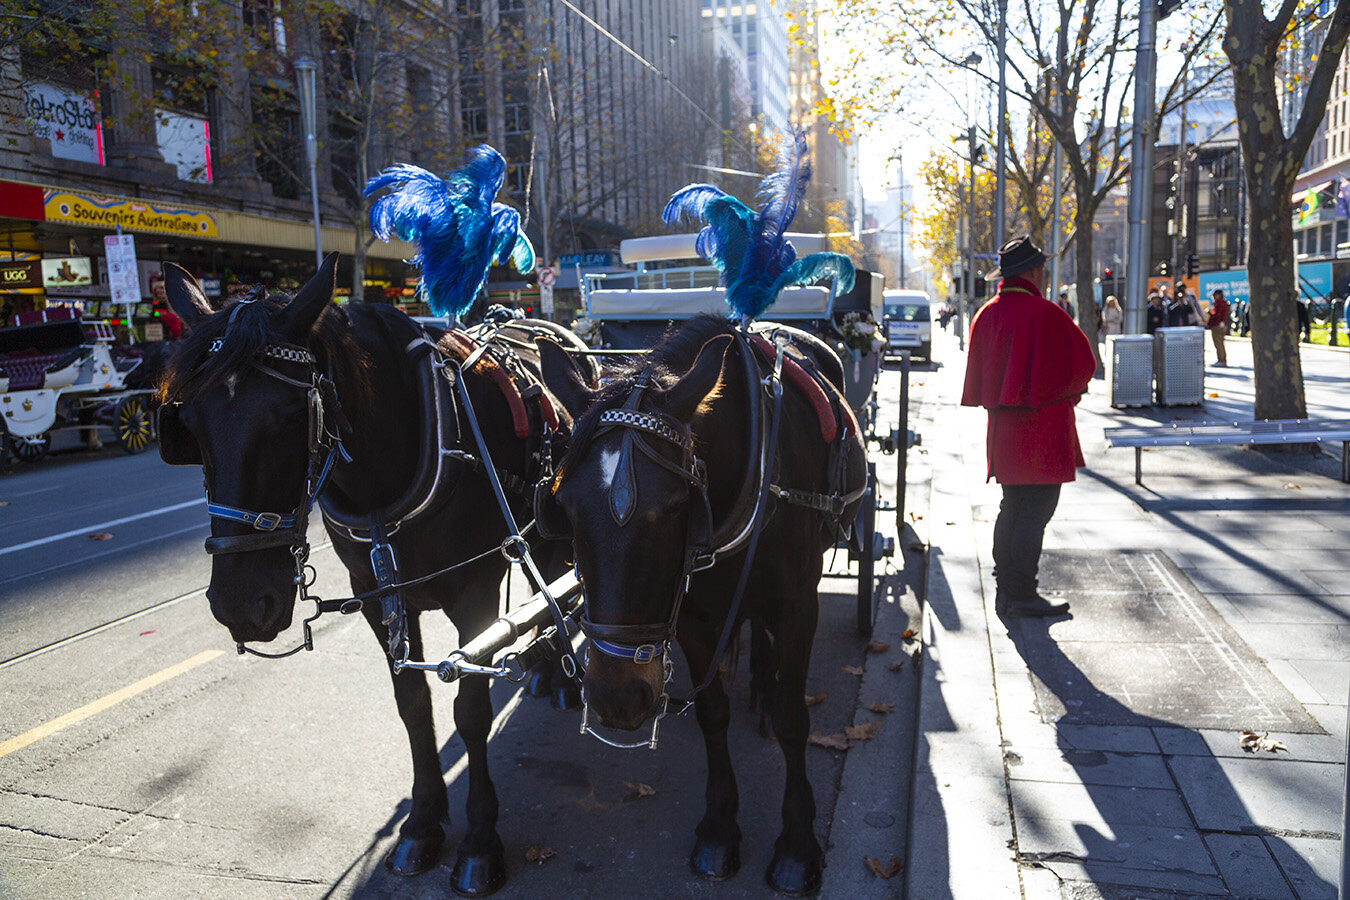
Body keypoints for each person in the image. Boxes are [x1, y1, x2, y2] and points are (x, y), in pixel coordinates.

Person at [962, 235, 1096, 619]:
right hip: (1043, 428)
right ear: (1034, 272)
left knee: (1012, 507)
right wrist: (1067, 392)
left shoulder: (985, 314)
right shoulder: (1046, 312)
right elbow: (1084, 365)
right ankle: (1021, 593)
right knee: (1036, 511)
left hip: (1003, 430)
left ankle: (1007, 588)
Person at [1206, 289, 1229, 366]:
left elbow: (1217, 315)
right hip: (1222, 325)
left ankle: (1221, 360)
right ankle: (1222, 359)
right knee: (1221, 343)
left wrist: (1210, 313)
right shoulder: (1224, 303)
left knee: (1218, 343)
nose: (1213, 297)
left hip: (1217, 325)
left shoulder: (1219, 303)